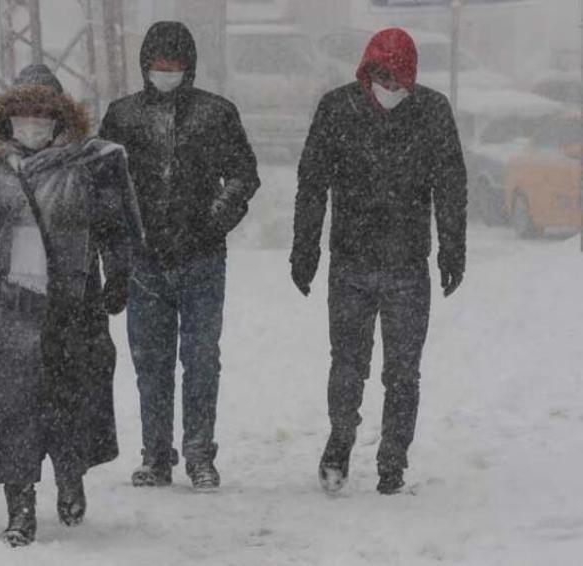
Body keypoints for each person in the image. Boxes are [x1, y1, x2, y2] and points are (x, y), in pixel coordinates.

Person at [0, 64, 142, 546]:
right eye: (23, 115)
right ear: (8, 118)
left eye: (42, 115)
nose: (33, 124)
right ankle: (20, 504)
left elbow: (115, 227)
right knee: (10, 407)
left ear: (59, 118)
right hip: (8, 308)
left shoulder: (89, 164)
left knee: (71, 399)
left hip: (73, 303)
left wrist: (119, 275)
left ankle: (70, 477)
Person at [290, 28, 467, 495]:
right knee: (348, 363)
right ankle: (340, 441)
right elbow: (312, 183)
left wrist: (453, 246)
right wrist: (304, 248)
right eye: (382, 76)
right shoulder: (337, 108)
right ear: (367, 71)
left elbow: (450, 184)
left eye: (399, 79)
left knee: (403, 370)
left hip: (408, 263)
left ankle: (393, 459)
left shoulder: (431, 112)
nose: (391, 88)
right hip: (350, 260)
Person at [100, 21, 260, 491]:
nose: (165, 73)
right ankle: (155, 454)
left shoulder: (216, 114)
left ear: (189, 68)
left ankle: (198, 453)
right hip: (145, 261)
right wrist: (119, 258)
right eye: (157, 66)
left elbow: (242, 176)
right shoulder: (122, 118)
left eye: (173, 66)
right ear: (145, 67)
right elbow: (106, 192)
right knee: (150, 362)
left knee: (201, 358)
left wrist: (211, 221)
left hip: (202, 259)